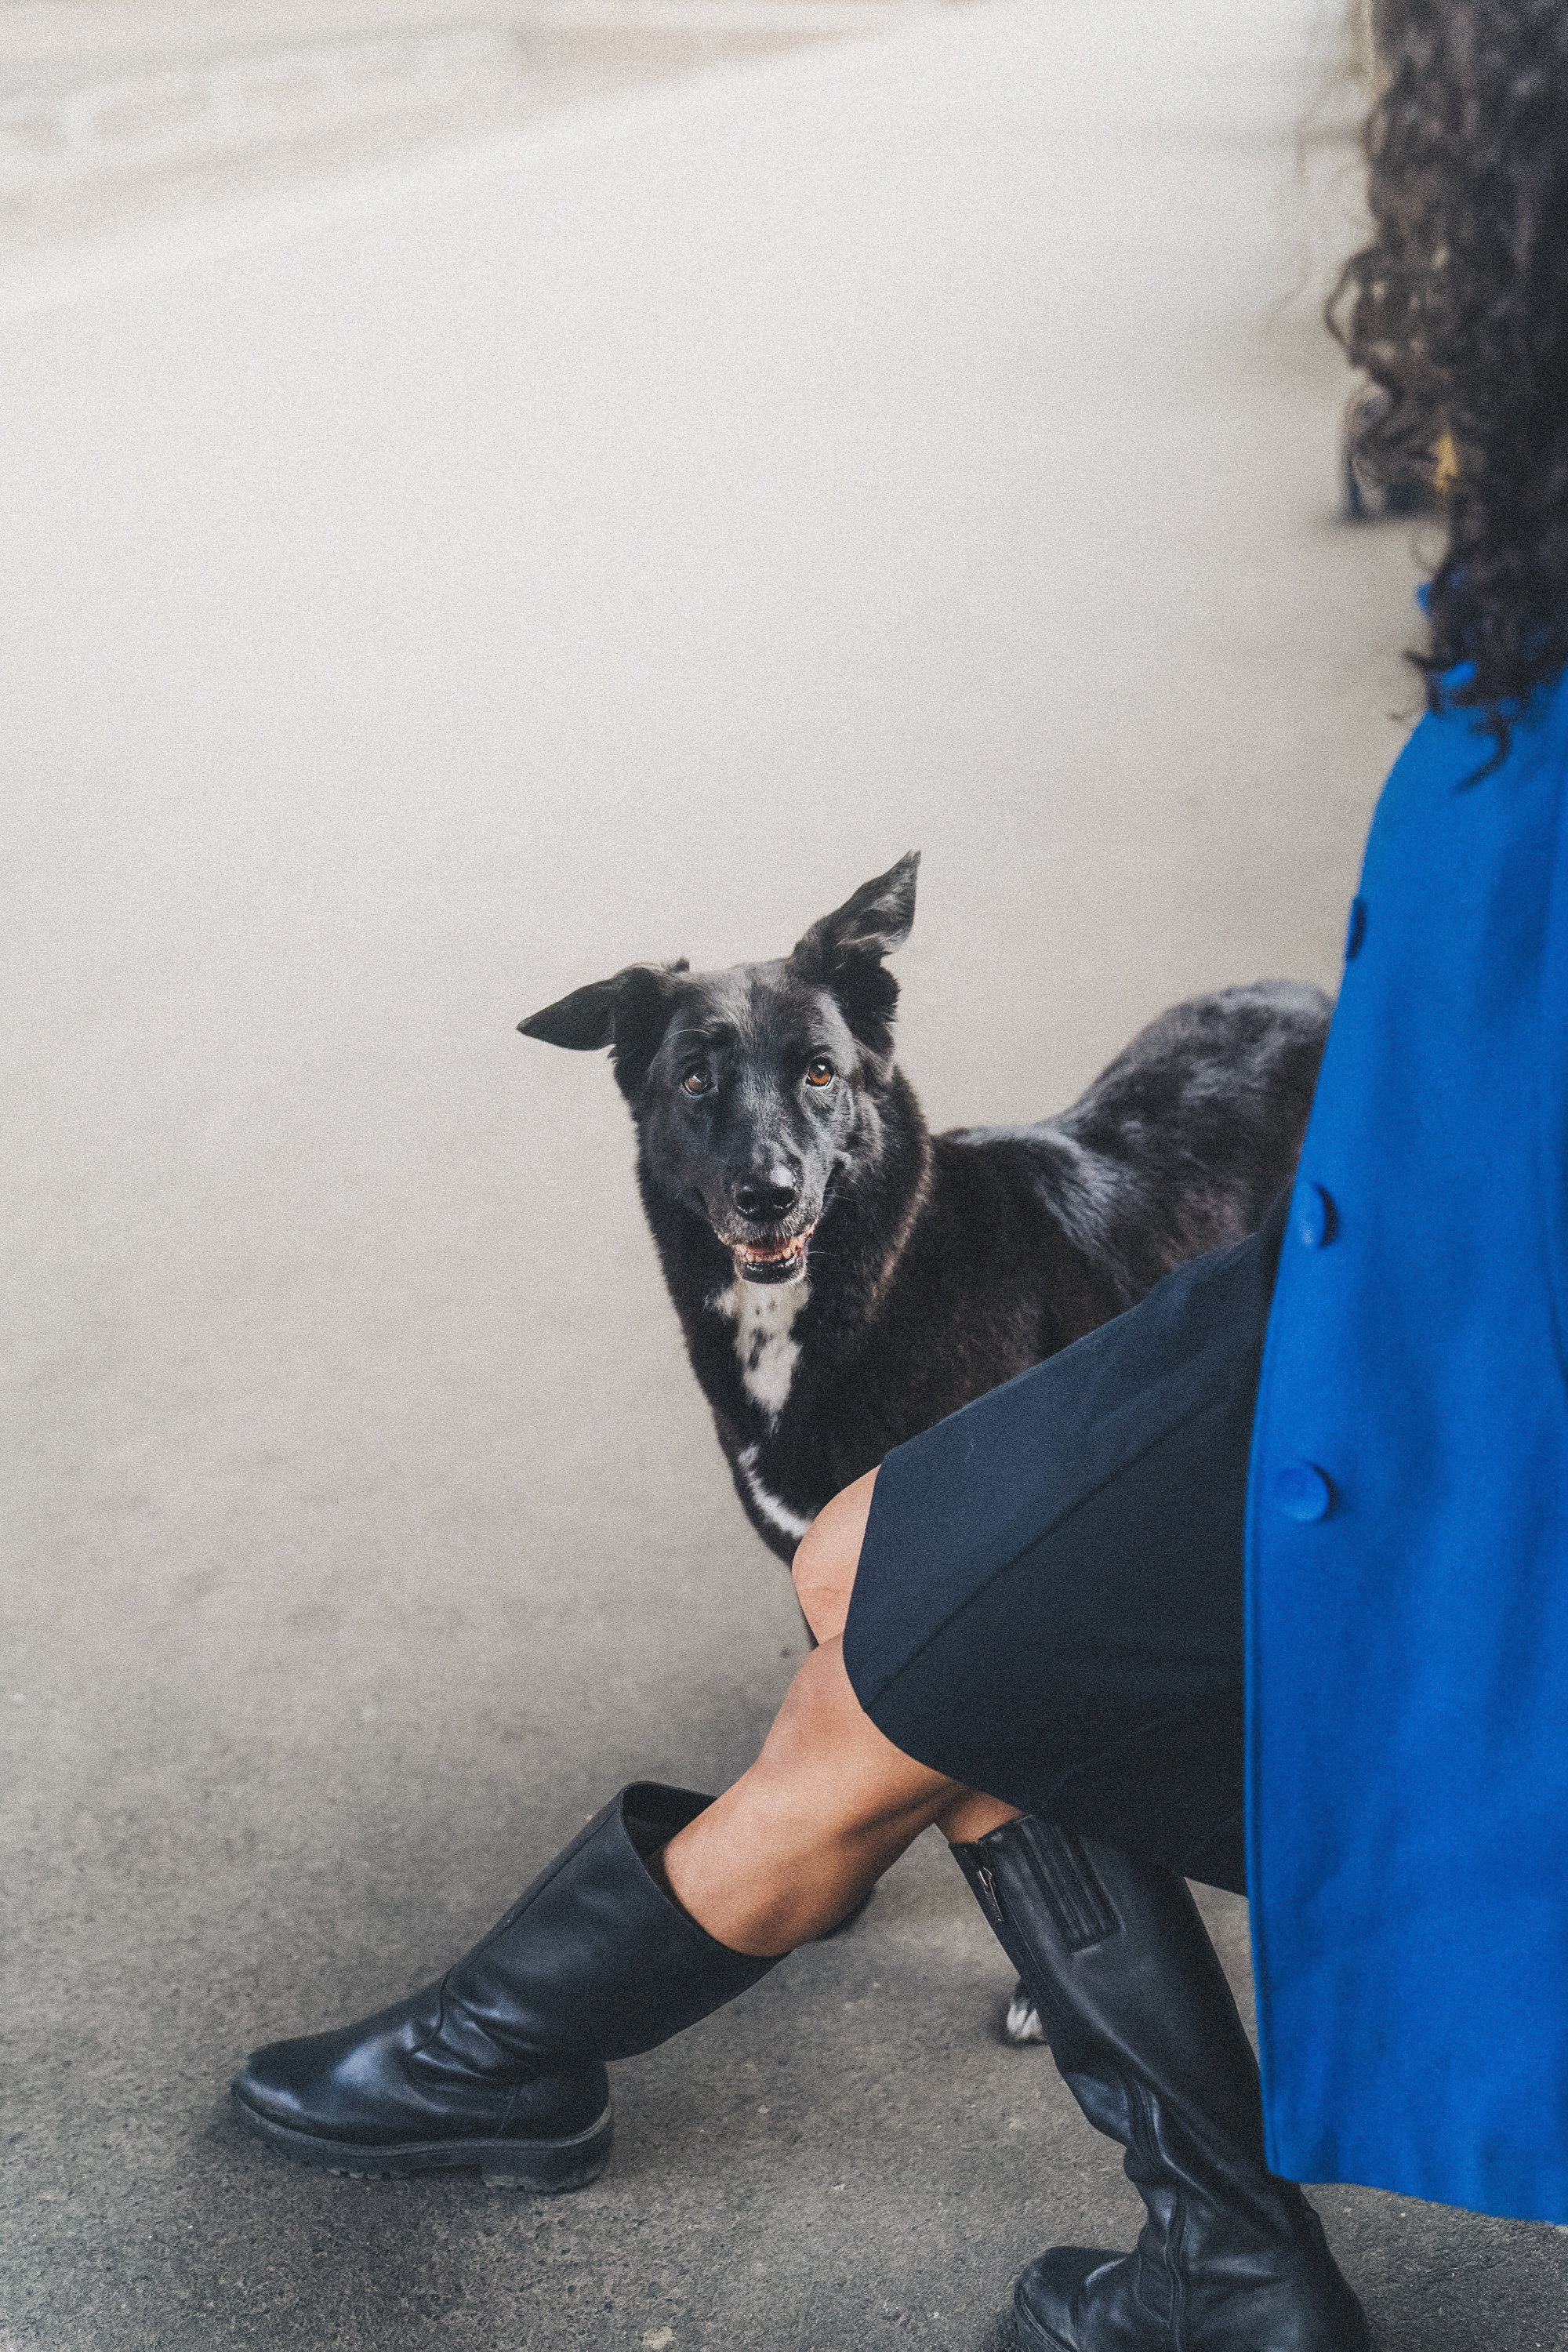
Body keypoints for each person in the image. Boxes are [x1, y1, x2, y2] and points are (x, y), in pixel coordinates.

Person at [229, 3, 1568, 2343]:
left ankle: (555, 2063)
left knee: (922, 1602)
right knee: (909, 1566)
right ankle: (1184, 2249)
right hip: (1397, 1277)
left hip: (1475, 1335)